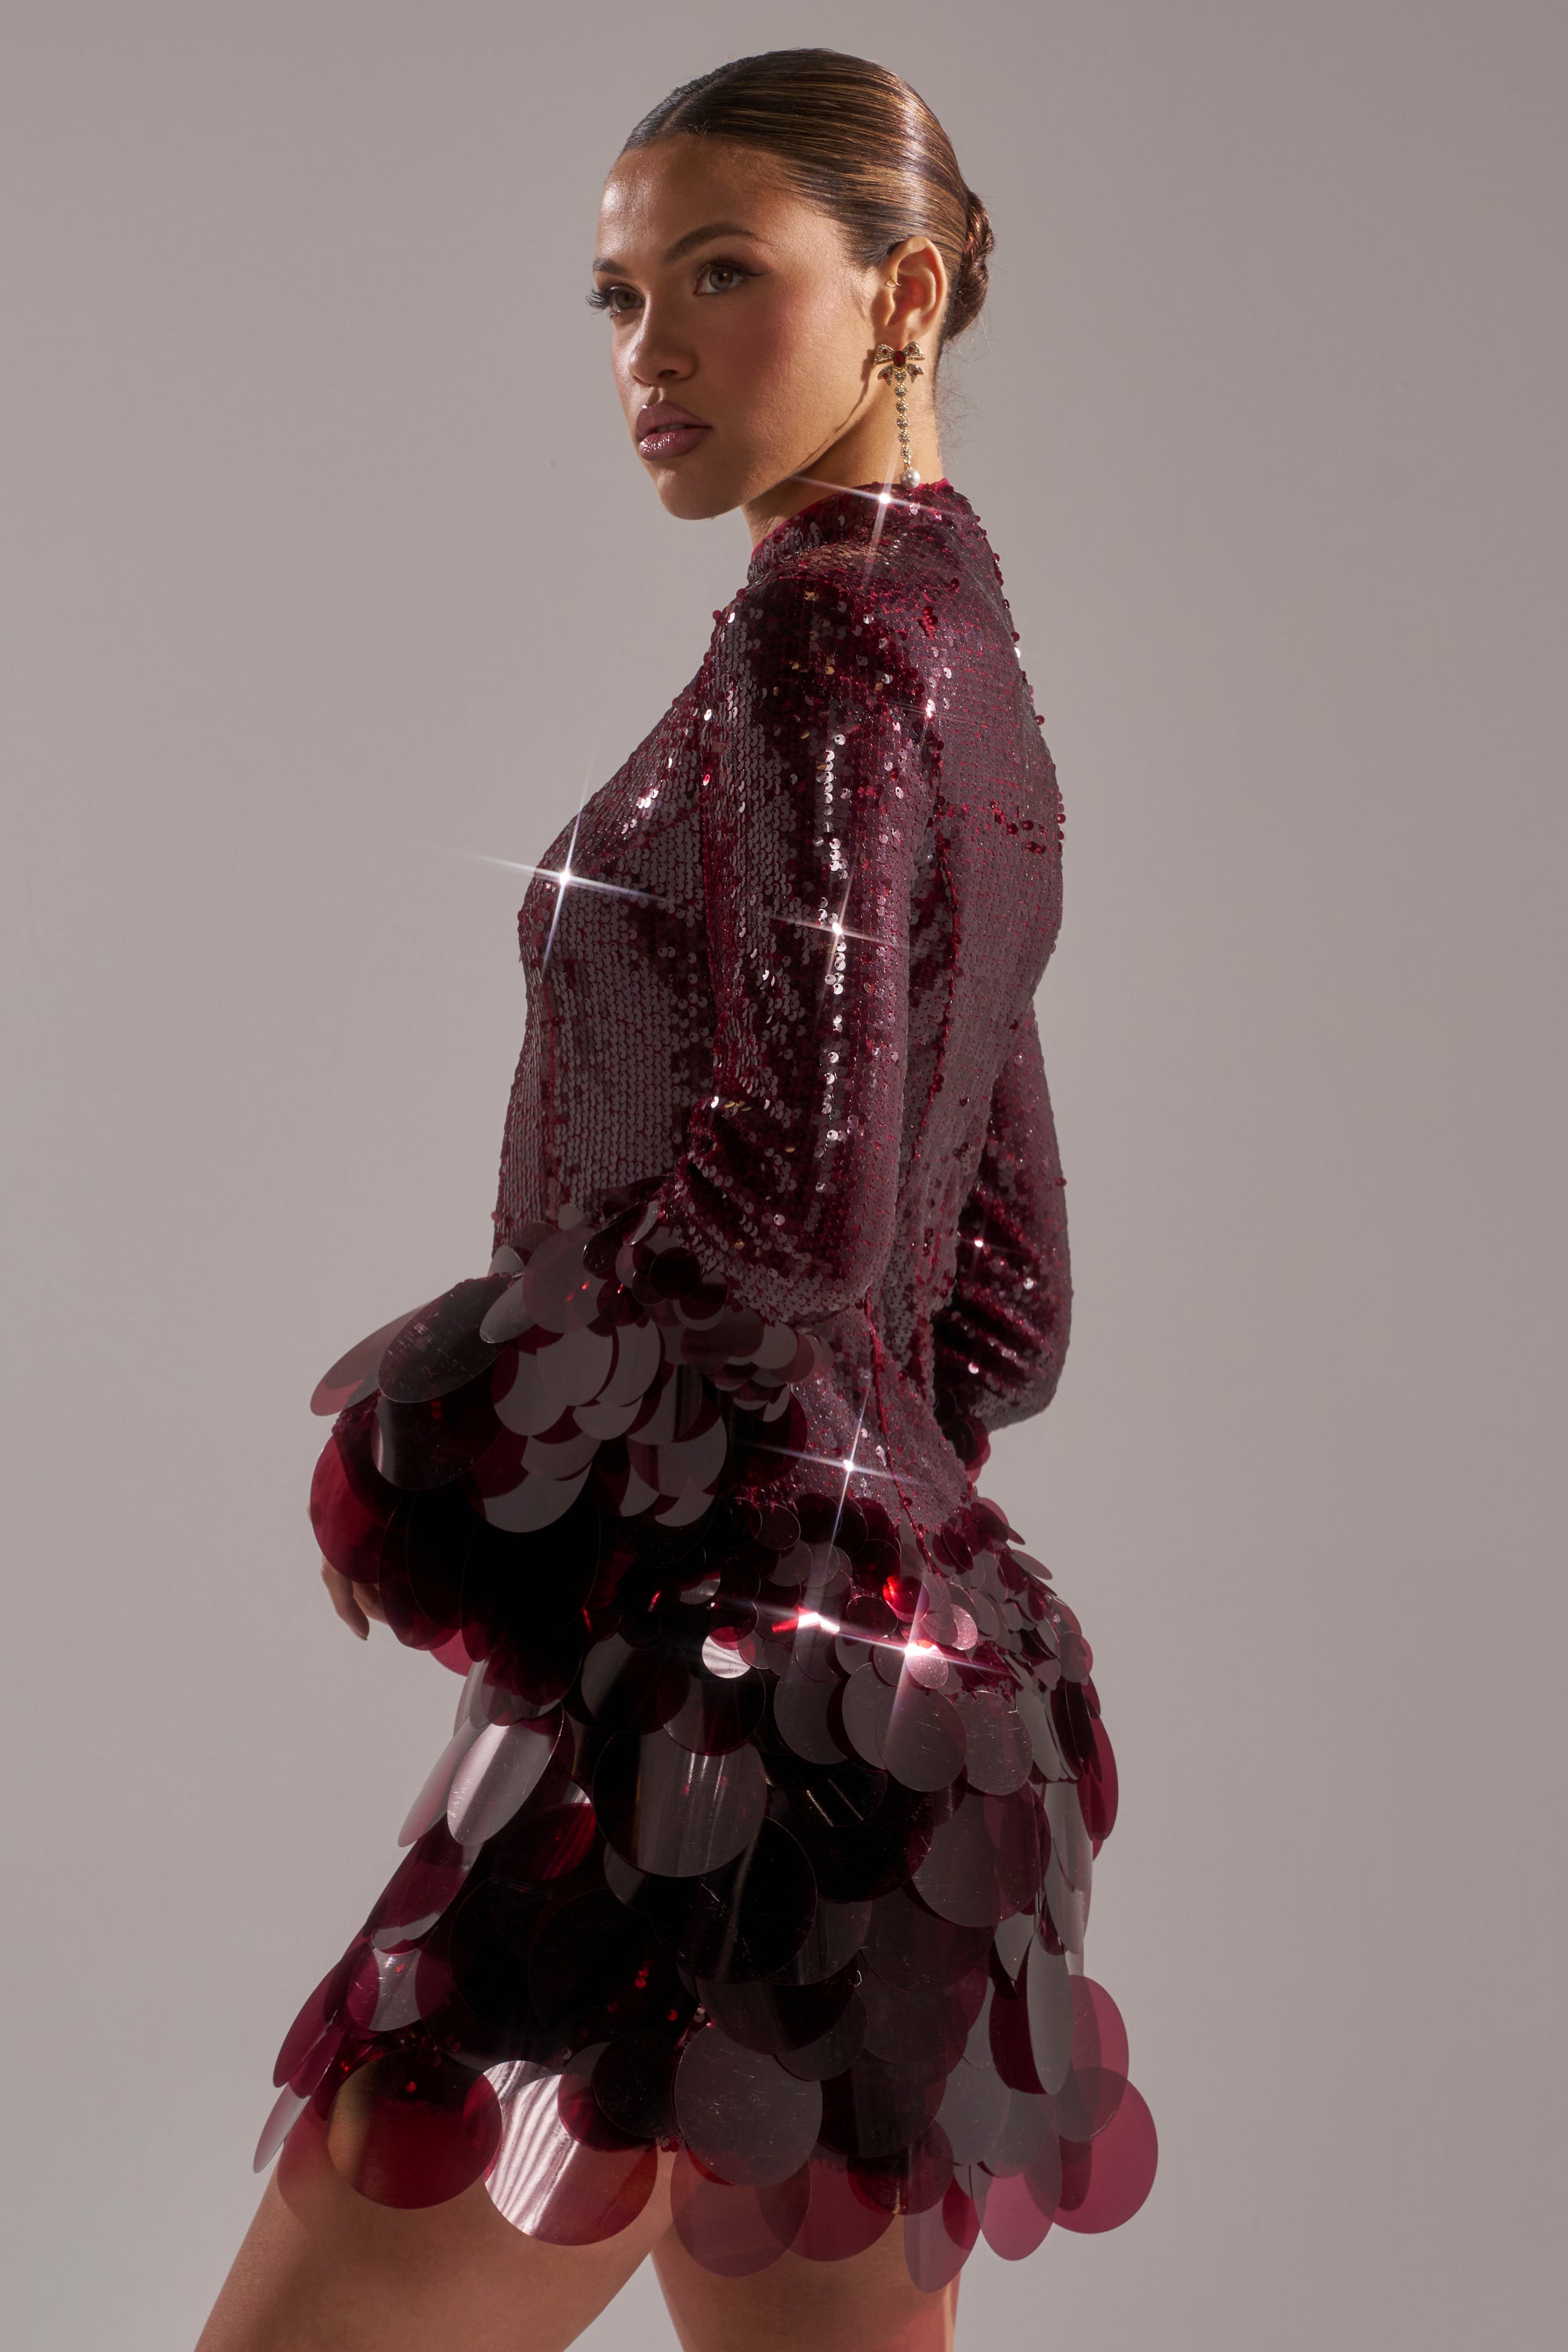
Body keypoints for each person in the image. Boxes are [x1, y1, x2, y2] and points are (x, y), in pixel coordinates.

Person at [197, 47, 1154, 2352]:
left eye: (724, 275)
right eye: (622, 296)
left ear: (902, 290)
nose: (652, 351)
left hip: (723, 1709)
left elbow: (798, 1231)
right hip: (912, 1724)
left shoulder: (822, 644)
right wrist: (848, 1531)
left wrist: (425, 1427)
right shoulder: (976, 668)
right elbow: (995, 1308)